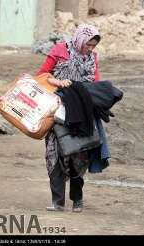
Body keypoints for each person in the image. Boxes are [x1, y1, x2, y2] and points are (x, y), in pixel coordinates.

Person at [37, 24, 102, 213]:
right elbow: (42, 75)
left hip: (81, 114)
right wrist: (58, 82)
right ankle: (57, 201)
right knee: (55, 154)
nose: (90, 49)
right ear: (79, 39)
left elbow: (95, 83)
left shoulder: (92, 58)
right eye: (88, 44)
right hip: (56, 111)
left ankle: (77, 200)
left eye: (93, 46)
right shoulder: (58, 51)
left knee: (78, 155)